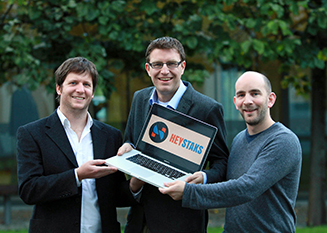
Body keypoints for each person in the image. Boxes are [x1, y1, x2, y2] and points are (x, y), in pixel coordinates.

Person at [160, 71, 302, 232]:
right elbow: (229, 183)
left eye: (255, 93)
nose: (247, 101)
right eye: (241, 95)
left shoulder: (283, 141)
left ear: (270, 99)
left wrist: (189, 192)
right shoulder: (239, 139)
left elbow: (247, 188)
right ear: (235, 102)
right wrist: (203, 177)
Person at [117, 37, 229, 233]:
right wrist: (128, 146)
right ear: (148, 68)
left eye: (171, 64)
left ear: (183, 66)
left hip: (182, 220)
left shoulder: (207, 109)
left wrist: (202, 178)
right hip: (140, 219)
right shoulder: (140, 99)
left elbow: (222, 162)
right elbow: (132, 140)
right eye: (158, 64)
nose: (165, 71)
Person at [17, 57, 137, 233]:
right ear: (59, 88)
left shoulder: (110, 136)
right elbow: (29, 190)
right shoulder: (32, 133)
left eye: (86, 85)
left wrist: (137, 182)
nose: (80, 90)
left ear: (93, 92)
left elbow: (116, 196)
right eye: (73, 82)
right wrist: (77, 176)